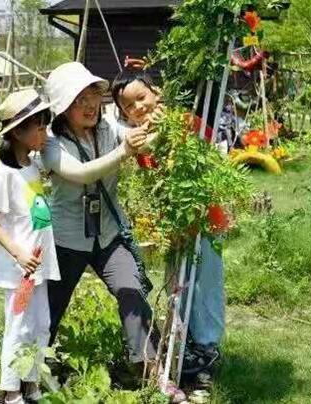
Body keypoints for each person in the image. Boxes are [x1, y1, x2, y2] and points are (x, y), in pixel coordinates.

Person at [110, 68, 226, 378]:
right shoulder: (141, 142)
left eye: (141, 97)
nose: (138, 108)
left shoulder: (183, 121)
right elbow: (155, 184)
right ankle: (188, 343)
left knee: (205, 283)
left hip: (205, 219)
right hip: (175, 225)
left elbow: (206, 155)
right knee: (180, 284)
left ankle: (209, 347)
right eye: (128, 107)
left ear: (157, 93)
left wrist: (167, 128)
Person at [0, 89, 60, 404]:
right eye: (39, 127)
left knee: (41, 323)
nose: (45, 133)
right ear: (18, 132)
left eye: (45, 125)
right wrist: (18, 253)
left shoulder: (31, 164)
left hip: (38, 262)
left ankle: (32, 384)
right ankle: (11, 391)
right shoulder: (5, 173)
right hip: (21, 268)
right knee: (18, 325)